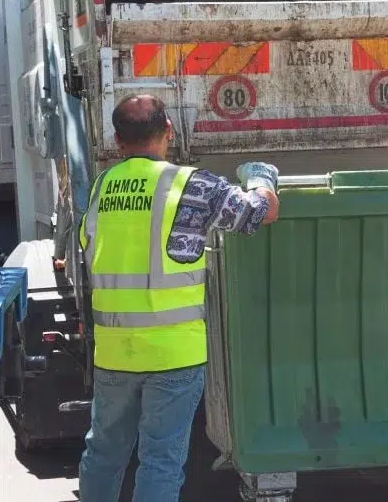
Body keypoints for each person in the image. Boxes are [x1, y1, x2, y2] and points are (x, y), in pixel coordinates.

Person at [77, 94, 280, 502]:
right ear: (169, 131)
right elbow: (261, 211)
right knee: (161, 460)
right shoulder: (191, 185)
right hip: (174, 354)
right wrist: (261, 177)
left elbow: (86, 244)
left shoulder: (102, 188)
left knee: (103, 452)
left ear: (118, 141)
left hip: (115, 352)